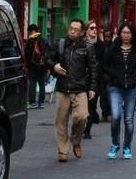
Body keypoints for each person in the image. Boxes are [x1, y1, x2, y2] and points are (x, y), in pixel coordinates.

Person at [45, 19, 99, 163]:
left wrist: (92, 88)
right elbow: (47, 59)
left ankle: (76, 140)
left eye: (76, 29)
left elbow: (94, 68)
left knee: (82, 117)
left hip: (80, 89)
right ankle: (63, 150)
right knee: (60, 122)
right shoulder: (60, 44)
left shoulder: (87, 47)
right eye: (71, 28)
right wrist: (54, 66)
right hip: (63, 89)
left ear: (82, 32)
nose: (72, 31)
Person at [102, 22, 136, 160]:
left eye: (128, 33)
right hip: (115, 87)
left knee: (128, 119)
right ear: (120, 34)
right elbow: (105, 65)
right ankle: (115, 143)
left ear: (133, 34)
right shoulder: (113, 48)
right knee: (116, 116)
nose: (126, 36)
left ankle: (127, 146)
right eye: (123, 32)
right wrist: (115, 74)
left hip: (131, 88)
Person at [84, 20, 106, 139]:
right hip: (82, 81)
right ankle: (84, 124)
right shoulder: (81, 44)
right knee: (83, 107)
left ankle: (87, 130)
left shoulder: (101, 45)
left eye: (95, 28)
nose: (94, 30)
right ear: (86, 30)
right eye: (91, 28)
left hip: (96, 81)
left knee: (91, 106)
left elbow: (104, 63)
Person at [25, 23, 48, 109]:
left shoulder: (30, 41)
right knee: (42, 84)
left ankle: (32, 103)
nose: (29, 34)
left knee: (33, 84)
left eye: (29, 32)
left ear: (32, 31)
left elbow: (27, 55)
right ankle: (41, 102)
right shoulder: (44, 40)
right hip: (43, 66)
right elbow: (47, 54)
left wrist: (27, 66)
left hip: (33, 66)